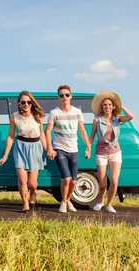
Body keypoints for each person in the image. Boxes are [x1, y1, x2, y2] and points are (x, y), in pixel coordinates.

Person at [45, 85, 91, 213]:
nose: (64, 97)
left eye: (66, 95)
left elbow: (82, 130)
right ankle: (63, 203)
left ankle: (67, 200)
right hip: (59, 148)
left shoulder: (77, 112)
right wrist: (50, 148)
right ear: (58, 97)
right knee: (66, 178)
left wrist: (88, 147)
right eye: (61, 95)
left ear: (71, 96)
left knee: (74, 181)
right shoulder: (54, 113)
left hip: (74, 149)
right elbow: (47, 131)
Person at [0, 91, 47, 212]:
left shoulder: (38, 116)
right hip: (20, 147)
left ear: (32, 103)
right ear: (19, 103)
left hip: (35, 147)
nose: (26, 104)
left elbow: (42, 134)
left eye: (29, 102)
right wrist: (5, 155)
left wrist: (48, 149)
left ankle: (32, 193)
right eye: (23, 102)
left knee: (32, 183)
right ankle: (25, 203)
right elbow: (10, 136)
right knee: (22, 180)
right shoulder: (14, 117)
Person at [89, 90, 133, 213]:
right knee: (103, 184)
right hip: (101, 153)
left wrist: (121, 106)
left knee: (114, 181)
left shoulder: (117, 119)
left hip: (115, 152)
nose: (107, 107)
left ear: (113, 107)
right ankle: (100, 202)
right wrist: (88, 148)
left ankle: (109, 204)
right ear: (101, 107)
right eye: (105, 105)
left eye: (109, 105)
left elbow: (131, 116)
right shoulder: (97, 120)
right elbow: (91, 137)